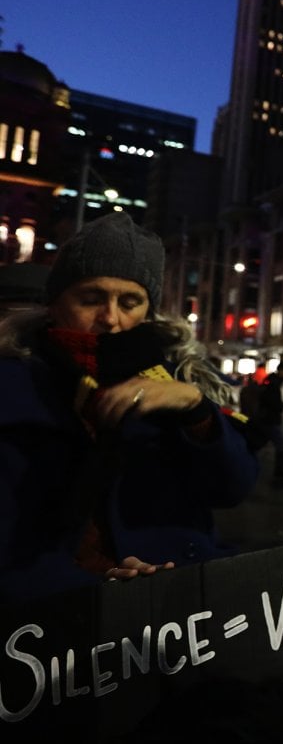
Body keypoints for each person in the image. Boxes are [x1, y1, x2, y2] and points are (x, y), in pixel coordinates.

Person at [0, 212, 258, 603]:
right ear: (55, 303)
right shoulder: (14, 381)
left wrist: (195, 410)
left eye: (130, 301)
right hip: (52, 610)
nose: (111, 318)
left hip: (180, 599)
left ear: (148, 309)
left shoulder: (179, 378)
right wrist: (92, 579)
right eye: (91, 298)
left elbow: (231, 488)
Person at [260, 360, 283, 485]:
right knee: (281, 446)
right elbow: (274, 402)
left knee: (260, 443)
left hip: (266, 418)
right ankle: (279, 475)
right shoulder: (274, 383)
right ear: (282, 371)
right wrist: (282, 405)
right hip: (270, 419)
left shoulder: (271, 380)